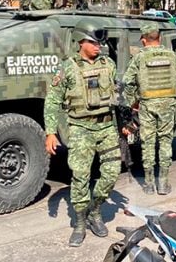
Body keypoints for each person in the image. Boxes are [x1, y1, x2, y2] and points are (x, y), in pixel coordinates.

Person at [44, 20, 122, 248]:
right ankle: (79, 223)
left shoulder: (108, 64)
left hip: (107, 127)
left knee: (111, 173)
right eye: (93, 42)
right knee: (80, 177)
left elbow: (116, 93)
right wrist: (50, 132)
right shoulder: (67, 67)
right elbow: (52, 101)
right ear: (81, 42)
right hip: (80, 129)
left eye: (100, 42)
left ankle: (95, 210)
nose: (99, 46)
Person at [123, 22, 176, 195]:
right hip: (168, 104)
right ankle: (163, 183)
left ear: (144, 40)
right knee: (166, 141)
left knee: (148, 143)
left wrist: (133, 102)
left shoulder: (139, 57)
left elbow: (128, 82)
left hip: (147, 104)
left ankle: (148, 184)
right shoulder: (171, 56)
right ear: (159, 38)